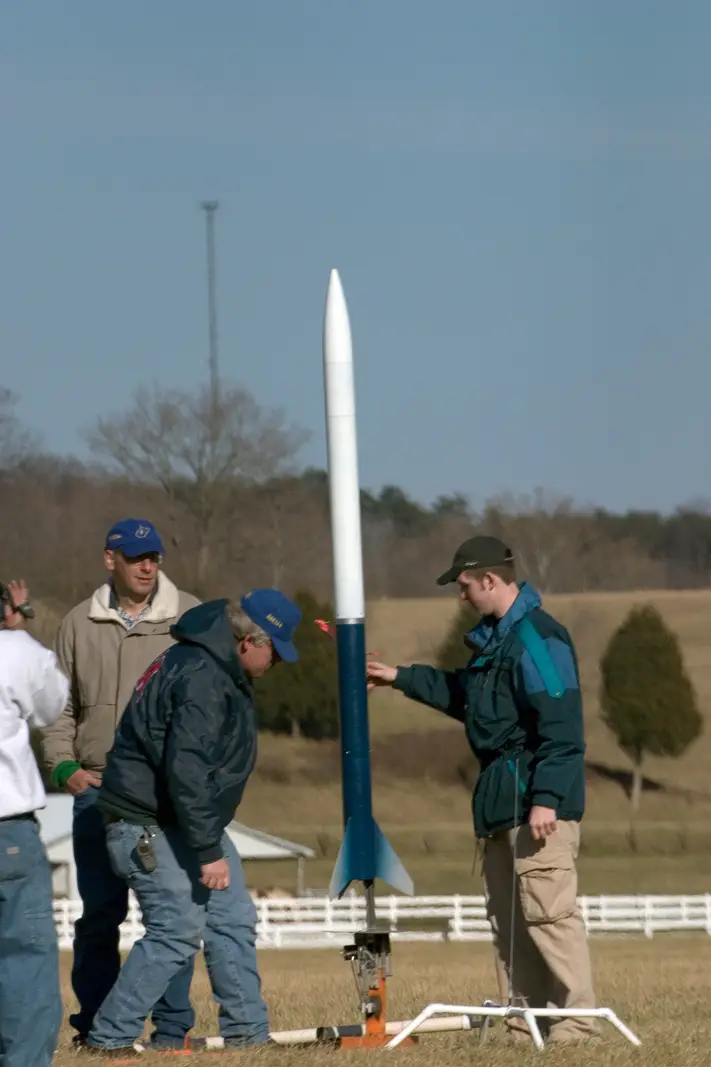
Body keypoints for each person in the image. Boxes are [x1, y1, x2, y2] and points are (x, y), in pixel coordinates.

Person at [367, 536, 598, 1045]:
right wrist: (399, 678)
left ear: (490, 580)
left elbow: (562, 728)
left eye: (465, 585)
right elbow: (469, 699)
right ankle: (526, 1024)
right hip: (500, 806)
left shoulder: (538, 639)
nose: (462, 596)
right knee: (512, 925)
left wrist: (547, 798)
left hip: (535, 806)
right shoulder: (495, 640)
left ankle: (579, 1024)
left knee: (550, 914)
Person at [82, 589, 301, 1057]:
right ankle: (108, 1038)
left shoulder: (206, 663)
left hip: (181, 820)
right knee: (177, 929)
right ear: (248, 641)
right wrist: (208, 852)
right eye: (274, 653)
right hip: (149, 822)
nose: (275, 665)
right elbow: (187, 767)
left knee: (232, 918)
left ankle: (247, 1033)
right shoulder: (203, 675)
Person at [40, 519, 201, 1051]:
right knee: (99, 915)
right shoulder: (77, 624)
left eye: (153, 555)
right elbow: (57, 707)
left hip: (162, 795)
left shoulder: (190, 617)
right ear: (110, 559)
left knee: (170, 917)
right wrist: (64, 767)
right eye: (135, 557)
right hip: (95, 791)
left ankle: (172, 1031)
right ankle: (94, 1026)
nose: (147, 566)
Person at [0, 580, 71, 1067]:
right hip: (8, 825)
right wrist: (18, 624)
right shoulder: (16, 651)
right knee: (24, 956)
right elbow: (52, 705)